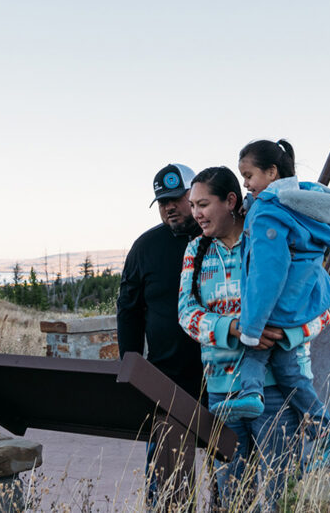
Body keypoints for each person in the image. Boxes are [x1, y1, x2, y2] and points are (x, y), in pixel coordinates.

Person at [213, 139, 330, 468]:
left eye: (249, 175)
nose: (245, 183)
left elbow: (267, 274)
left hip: (280, 305)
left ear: (271, 172)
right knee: (287, 369)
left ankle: (252, 396)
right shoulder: (300, 203)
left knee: (254, 344)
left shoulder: (268, 214)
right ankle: (322, 429)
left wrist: (252, 325)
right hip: (305, 298)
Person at [177, 166, 302, 509]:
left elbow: (316, 307)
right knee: (232, 494)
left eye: (203, 204)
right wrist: (235, 329)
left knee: (281, 492)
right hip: (221, 391)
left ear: (230, 200)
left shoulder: (270, 238)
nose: (195, 214)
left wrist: (281, 333)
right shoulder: (196, 252)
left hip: (274, 389)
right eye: (192, 205)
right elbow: (186, 315)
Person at [117, 163, 205, 509]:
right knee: (167, 483)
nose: (169, 207)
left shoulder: (218, 237)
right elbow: (129, 309)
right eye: (162, 201)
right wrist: (131, 364)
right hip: (167, 379)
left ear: (194, 195)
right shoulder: (146, 247)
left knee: (230, 470)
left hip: (222, 376)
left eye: (177, 198)